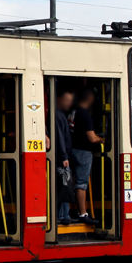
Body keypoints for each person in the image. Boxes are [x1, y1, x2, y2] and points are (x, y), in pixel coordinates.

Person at [71, 88, 104, 227]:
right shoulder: (84, 114)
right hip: (83, 151)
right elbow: (91, 138)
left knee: (72, 181)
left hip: (71, 149)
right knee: (82, 183)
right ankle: (83, 213)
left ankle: (71, 211)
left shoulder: (72, 112)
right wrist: (103, 140)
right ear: (89, 99)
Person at [54, 90, 74, 225]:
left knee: (63, 183)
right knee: (63, 184)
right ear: (59, 99)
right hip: (61, 156)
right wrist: (63, 156)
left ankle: (63, 214)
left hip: (63, 154)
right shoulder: (57, 115)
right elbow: (59, 137)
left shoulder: (59, 114)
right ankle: (63, 215)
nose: (69, 104)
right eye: (66, 100)